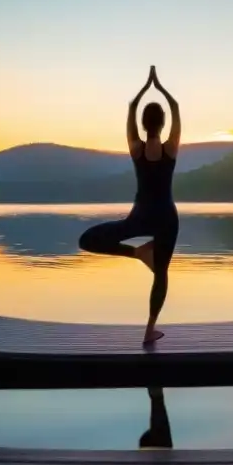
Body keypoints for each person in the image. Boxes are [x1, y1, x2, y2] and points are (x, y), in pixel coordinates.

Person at [78, 65, 180, 345]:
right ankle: (149, 330)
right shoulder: (171, 148)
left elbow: (132, 108)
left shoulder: (135, 149)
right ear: (162, 124)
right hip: (167, 218)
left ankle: (136, 253)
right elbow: (176, 106)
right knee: (161, 274)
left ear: (145, 124)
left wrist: (142, 92)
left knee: (87, 240)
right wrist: (159, 86)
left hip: (141, 215)